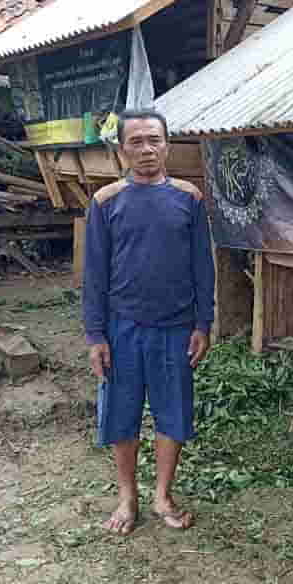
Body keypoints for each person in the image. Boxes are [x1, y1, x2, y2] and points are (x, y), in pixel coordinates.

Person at [82, 108, 215, 533]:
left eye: (154, 140)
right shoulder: (106, 201)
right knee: (120, 413)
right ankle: (127, 497)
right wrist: (95, 335)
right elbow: (94, 275)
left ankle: (162, 496)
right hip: (121, 328)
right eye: (136, 142)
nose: (146, 149)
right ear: (122, 149)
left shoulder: (189, 198)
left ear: (167, 146)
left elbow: (203, 267)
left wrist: (203, 323)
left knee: (173, 411)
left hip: (176, 328)